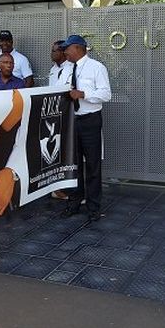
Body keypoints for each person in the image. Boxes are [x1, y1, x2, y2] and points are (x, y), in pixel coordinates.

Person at [59, 35, 111, 222]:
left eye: (67, 48)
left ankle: (93, 207)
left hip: (90, 120)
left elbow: (106, 94)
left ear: (78, 48)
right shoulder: (66, 69)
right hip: (72, 121)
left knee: (92, 164)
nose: (64, 52)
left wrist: (83, 94)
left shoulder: (97, 68)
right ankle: (74, 201)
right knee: (74, 164)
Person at [49, 39, 73, 200]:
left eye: (55, 51)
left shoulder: (71, 68)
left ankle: (68, 188)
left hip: (68, 116)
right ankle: (56, 188)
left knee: (67, 154)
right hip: (53, 117)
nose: (52, 54)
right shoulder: (52, 70)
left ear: (63, 52)